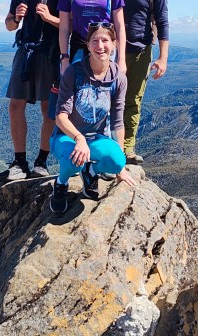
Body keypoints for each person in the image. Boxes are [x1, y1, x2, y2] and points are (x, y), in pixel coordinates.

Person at [49, 21, 137, 215]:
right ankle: (61, 183)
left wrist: (121, 166)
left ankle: (90, 172)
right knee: (75, 158)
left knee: (117, 161)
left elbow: (117, 121)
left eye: (105, 40)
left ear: (114, 44)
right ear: (87, 45)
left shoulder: (118, 78)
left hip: (97, 137)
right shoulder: (74, 72)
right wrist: (78, 138)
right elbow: (60, 116)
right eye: (95, 41)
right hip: (67, 136)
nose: (100, 46)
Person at [0, 0, 63, 182]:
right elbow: (9, 25)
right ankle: (20, 162)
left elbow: (69, 25)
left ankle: (41, 162)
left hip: (50, 54)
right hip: (25, 52)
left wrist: (49, 18)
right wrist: (17, 17)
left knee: (48, 108)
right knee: (15, 105)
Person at [111, 0, 170, 163]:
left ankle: (127, 147)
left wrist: (163, 58)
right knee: (103, 98)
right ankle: (104, 145)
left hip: (140, 50)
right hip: (108, 49)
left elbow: (163, 22)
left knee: (132, 100)